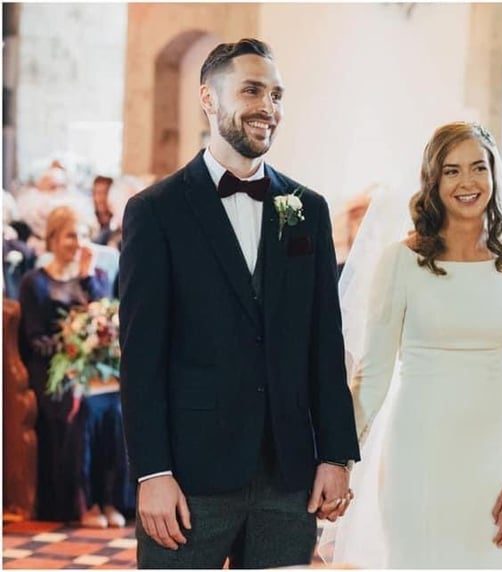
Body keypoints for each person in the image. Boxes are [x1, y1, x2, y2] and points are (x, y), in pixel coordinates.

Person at [119, 38, 360, 569]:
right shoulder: (155, 212)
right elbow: (141, 357)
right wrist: (152, 472)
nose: (267, 107)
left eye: (276, 95)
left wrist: (335, 455)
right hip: (189, 477)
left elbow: (325, 343)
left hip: (288, 476)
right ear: (208, 98)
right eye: (252, 90)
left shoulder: (308, 209)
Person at [324, 122, 502, 568]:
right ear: (433, 181)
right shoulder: (401, 262)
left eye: (478, 168)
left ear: (494, 174)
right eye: (452, 171)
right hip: (418, 450)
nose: (467, 182)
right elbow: (372, 377)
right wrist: (339, 461)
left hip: (494, 454)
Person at [18, 205, 129, 527]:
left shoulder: (95, 277)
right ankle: (84, 503)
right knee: (83, 409)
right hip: (53, 372)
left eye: (83, 235)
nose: (78, 242)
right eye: (70, 235)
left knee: (116, 407)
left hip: (92, 370)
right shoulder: (34, 282)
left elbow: (103, 319)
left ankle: (111, 500)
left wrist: (86, 276)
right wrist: (68, 342)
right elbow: (35, 340)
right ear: (53, 238)